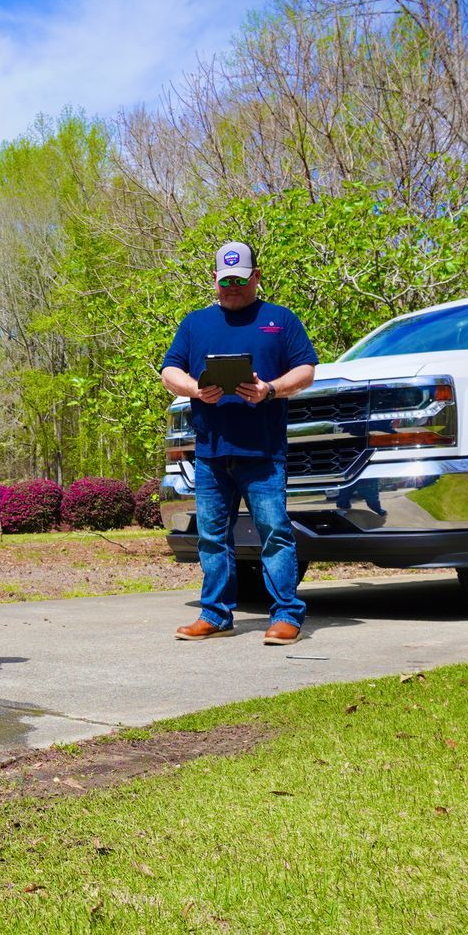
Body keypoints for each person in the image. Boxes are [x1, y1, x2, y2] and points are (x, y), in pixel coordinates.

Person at [159, 240, 318, 644]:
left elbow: (306, 370)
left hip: (263, 453)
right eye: (225, 280)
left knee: (275, 533)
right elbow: (168, 372)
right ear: (214, 279)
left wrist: (270, 389)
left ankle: (286, 616)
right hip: (212, 453)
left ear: (256, 277)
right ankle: (215, 614)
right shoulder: (195, 324)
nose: (232, 288)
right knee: (212, 537)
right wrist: (196, 390)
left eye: (241, 280)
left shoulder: (280, 320)